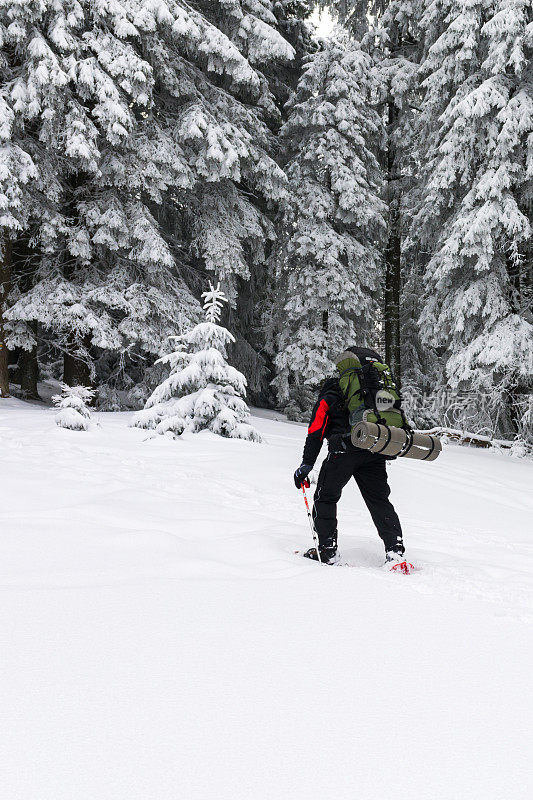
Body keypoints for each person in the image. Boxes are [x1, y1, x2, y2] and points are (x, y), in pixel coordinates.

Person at [293, 346, 405, 566]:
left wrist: (307, 464)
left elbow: (316, 430)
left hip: (342, 452)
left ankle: (327, 551)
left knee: (325, 497)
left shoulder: (331, 392)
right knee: (379, 501)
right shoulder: (372, 391)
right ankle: (395, 551)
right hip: (373, 450)